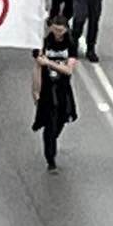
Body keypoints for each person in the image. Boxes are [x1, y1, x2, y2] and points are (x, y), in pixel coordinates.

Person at [31, 17, 79, 171]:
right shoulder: (43, 44)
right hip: (47, 89)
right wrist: (35, 91)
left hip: (63, 89)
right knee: (50, 123)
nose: (58, 32)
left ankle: (52, 139)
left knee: (61, 120)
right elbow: (37, 68)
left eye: (61, 29)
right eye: (55, 29)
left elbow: (69, 69)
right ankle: (50, 157)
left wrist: (49, 63)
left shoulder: (70, 44)